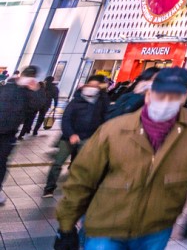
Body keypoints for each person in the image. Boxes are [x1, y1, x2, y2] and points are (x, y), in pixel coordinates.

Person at [53, 67, 187, 250]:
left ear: (183, 98)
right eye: (161, 94)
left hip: (157, 226)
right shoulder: (114, 129)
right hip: (107, 223)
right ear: (149, 95)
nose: (166, 101)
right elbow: (82, 178)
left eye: (174, 96)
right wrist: (66, 225)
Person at [43, 74, 109, 198]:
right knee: (58, 162)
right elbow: (66, 119)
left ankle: (75, 188)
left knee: (80, 164)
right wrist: (71, 134)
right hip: (68, 137)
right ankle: (49, 188)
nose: (92, 88)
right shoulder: (76, 100)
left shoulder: (101, 101)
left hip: (88, 137)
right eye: (90, 85)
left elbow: (105, 117)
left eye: (96, 86)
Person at [0, 66, 40, 203]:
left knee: (1, 162)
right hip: (7, 131)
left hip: (9, 133)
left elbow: (37, 106)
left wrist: (34, 90)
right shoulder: (6, 86)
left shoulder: (28, 92)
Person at [22, 69, 50, 137]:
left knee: (30, 119)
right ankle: (35, 131)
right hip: (43, 106)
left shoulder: (35, 90)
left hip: (33, 107)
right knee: (40, 118)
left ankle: (26, 130)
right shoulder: (47, 91)